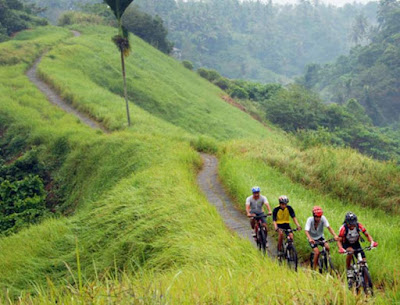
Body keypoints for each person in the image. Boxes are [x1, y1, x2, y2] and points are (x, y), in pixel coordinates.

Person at [337, 212, 378, 288]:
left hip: (356, 243)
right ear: (347, 223)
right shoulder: (343, 228)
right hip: (347, 244)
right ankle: (349, 270)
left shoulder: (359, 226)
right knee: (351, 251)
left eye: (353, 224)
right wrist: (341, 248)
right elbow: (339, 240)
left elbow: (367, 234)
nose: (352, 226)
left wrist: (372, 242)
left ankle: (365, 282)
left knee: (364, 262)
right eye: (350, 224)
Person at [305, 206, 338, 270]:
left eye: (319, 217)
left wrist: (335, 235)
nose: (318, 219)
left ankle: (327, 259)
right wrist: (310, 238)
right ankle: (314, 268)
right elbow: (306, 230)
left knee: (327, 247)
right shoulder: (310, 220)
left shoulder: (323, 219)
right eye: (317, 217)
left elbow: (329, 227)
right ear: (314, 216)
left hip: (320, 237)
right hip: (312, 238)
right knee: (316, 252)